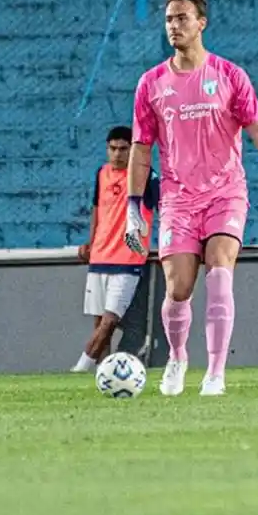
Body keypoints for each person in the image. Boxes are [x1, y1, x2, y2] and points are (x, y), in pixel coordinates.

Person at [125, 0, 258, 397]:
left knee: (220, 270)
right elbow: (141, 149)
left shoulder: (229, 75)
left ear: (202, 23)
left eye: (182, 18)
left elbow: (256, 125)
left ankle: (215, 372)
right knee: (178, 287)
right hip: (178, 200)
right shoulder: (151, 84)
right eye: (168, 19)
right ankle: (178, 357)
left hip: (225, 193)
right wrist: (134, 208)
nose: (174, 26)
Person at [71, 126, 158, 372]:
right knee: (99, 323)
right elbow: (97, 210)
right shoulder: (101, 174)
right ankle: (102, 373)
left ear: (132, 150)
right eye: (113, 148)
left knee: (110, 321)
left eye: (123, 148)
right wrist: (90, 242)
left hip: (128, 260)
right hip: (99, 257)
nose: (117, 154)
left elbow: (167, 207)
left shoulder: (145, 176)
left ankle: (80, 369)